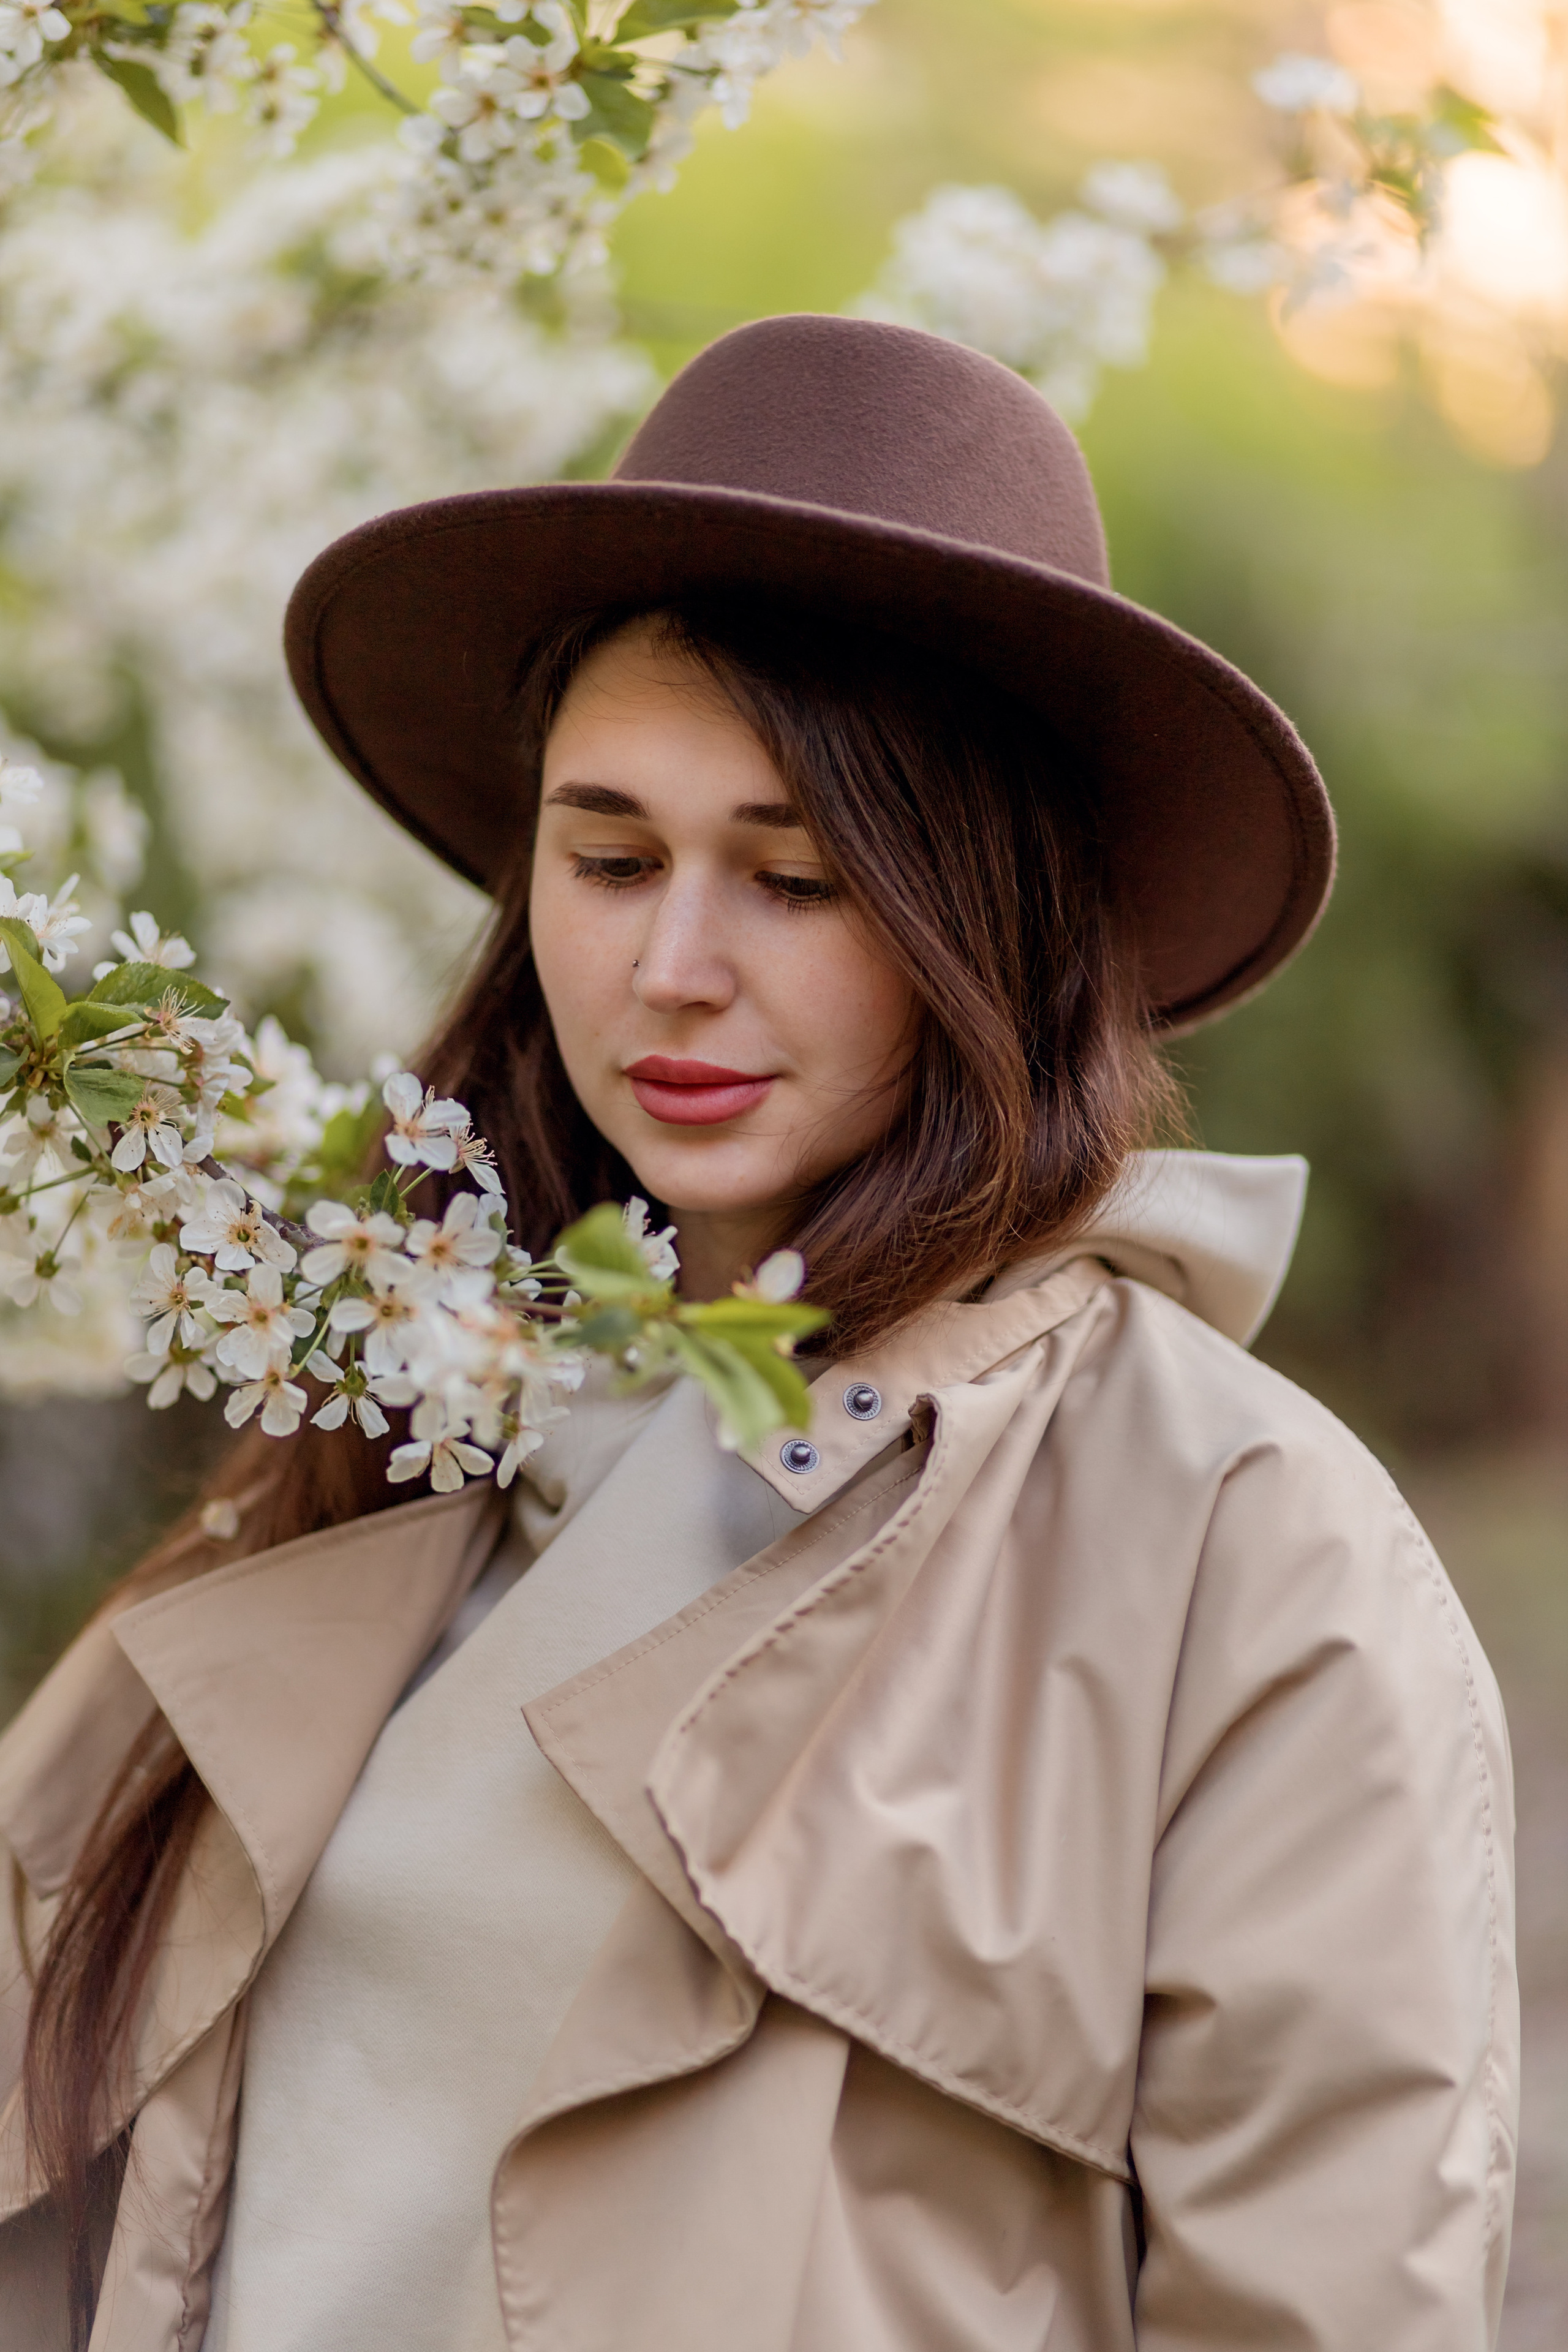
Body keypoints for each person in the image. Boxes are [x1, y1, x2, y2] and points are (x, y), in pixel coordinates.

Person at [0, 315, 1516, 2352]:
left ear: (987, 920)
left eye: (794, 879)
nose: (673, 968)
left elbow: (1328, 2304)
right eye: (609, 858)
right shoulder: (386, 1422)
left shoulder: (1241, 1546)